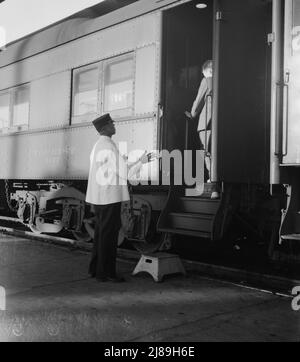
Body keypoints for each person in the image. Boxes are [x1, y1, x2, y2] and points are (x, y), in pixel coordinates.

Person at [86, 113, 153, 282]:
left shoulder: (97, 146)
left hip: (100, 197)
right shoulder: (109, 146)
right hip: (110, 197)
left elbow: (112, 168)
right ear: (105, 128)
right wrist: (142, 162)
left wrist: (128, 161)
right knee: (109, 237)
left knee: (101, 234)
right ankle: (106, 274)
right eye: (111, 124)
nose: (114, 126)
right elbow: (125, 173)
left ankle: (95, 269)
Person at [186, 60, 219, 199]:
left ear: (207, 71)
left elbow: (198, 100)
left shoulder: (206, 81)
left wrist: (192, 114)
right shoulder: (222, 81)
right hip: (218, 123)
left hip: (206, 123)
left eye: (204, 73)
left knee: (207, 153)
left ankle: (213, 183)